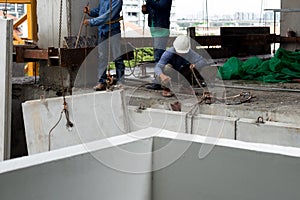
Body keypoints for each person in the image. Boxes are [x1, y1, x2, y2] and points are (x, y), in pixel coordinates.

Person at [83, 0, 125, 91]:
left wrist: (91, 22)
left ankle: (120, 81)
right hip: (102, 30)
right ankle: (101, 82)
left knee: (117, 55)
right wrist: (90, 12)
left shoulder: (117, 1)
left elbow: (107, 16)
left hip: (113, 30)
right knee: (102, 56)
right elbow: (99, 11)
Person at [141, 0, 173, 90]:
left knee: (158, 57)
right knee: (158, 56)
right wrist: (145, 9)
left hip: (161, 31)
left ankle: (159, 81)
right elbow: (153, 8)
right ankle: (160, 80)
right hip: (155, 30)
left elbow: (160, 7)